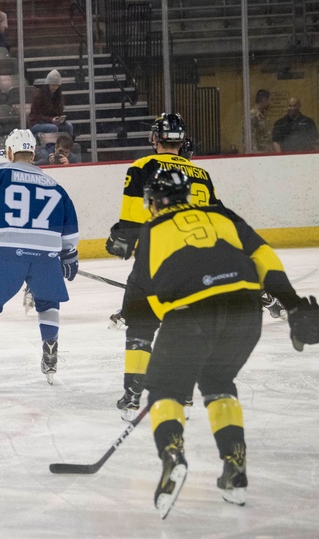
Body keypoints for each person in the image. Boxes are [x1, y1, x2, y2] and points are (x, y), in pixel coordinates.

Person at [119, 167, 319, 518]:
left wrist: (142, 344)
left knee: (165, 389)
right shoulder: (222, 213)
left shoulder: (151, 231)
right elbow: (264, 258)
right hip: (245, 310)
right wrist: (292, 305)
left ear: (153, 203)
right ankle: (234, 467)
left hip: (191, 314)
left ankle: (172, 455)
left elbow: (142, 299)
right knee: (218, 382)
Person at [105, 113, 222, 419]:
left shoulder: (143, 167)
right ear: (183, 142)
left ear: (154, 139)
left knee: (141, 327)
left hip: (154, 259)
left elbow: (131, 219)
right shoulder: (201, 174)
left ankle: (132, 393)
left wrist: (123, 245)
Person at [0, 129, 79, 388]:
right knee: (47, 302)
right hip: (46, 257)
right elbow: (70, 226)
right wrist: (68, 255)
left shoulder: (2, 171)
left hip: (9, 254)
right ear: (33, 154)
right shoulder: (55, 185)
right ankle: (51, 351)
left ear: (9, 153)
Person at [29, 70, 73, 141]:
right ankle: (51, 147)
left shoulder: (58, 97)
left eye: (57, 86)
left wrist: (59, 119)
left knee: (68, 126)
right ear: (48, 84)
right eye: (52, 85)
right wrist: (50, 119)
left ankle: (67, 146)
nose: (55, 88)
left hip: (50, 122)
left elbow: (58, 112)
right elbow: (35, 116)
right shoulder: (39, 96)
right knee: (53, 128)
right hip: (36, 123)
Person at [249, 89, 273, 154]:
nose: (270, 103)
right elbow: (250, 139)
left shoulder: (264, 116)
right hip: (258, 155)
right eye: (269, 100)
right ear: (264, 100)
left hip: (267, 154)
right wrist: (255, 154)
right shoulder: (252, 116)